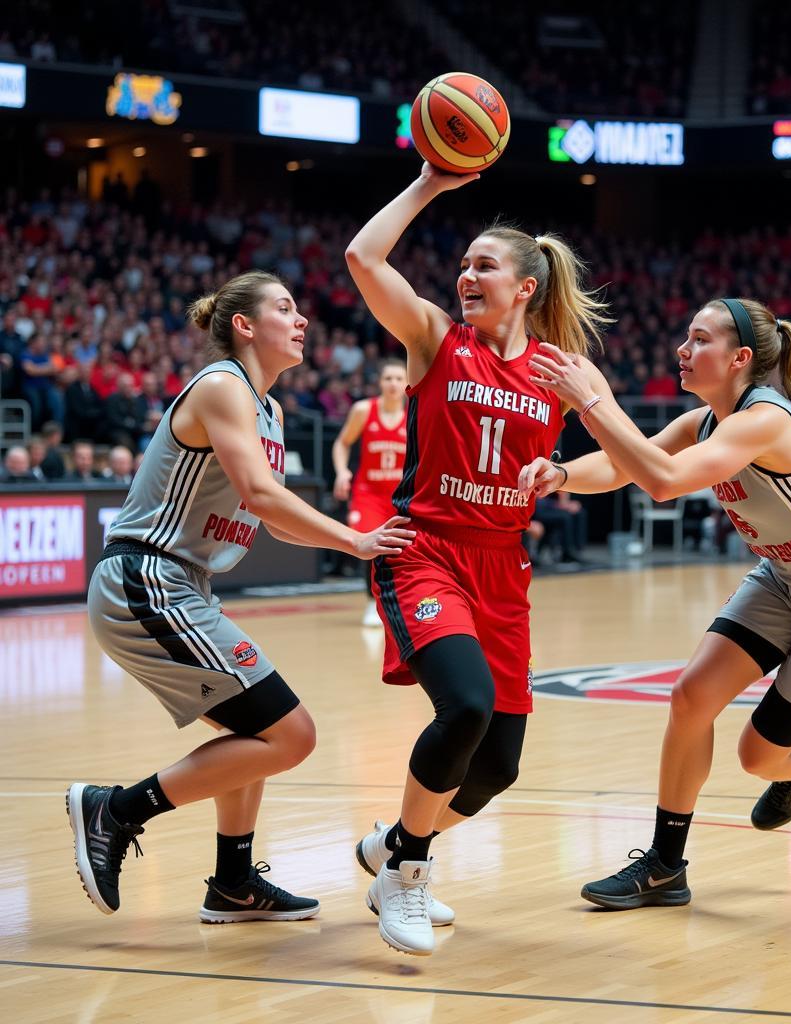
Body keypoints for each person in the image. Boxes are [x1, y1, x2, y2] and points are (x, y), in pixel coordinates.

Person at [519, 296, 791, 911]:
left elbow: (665, 481)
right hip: (785, 576)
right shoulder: (702, 422)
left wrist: (593, 402)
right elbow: (630, 465)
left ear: (740, 359)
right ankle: (664, 867)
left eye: (699, 340)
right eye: (685, 336)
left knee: (758, 756)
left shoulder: (765, 421)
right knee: (689, 697)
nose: (683, 349)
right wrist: (563, 475)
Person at [67, 271, 414, 925]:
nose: (302, 320)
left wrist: (350, 543)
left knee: (255, 730)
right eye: (286, 308)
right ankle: (114, 810)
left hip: (182, 585)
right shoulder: (223, 385)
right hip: (147, 578)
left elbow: (274, 518)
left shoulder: (272, 412)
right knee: (292, 734)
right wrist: (357, 538)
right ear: (245, 326)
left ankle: (232, 882)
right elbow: (259, 495)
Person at [344, 162, 610, 955]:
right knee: (463, 706)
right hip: (425, 551)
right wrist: (429, 183)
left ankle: (390, 843)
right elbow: (364, 259)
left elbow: (624, 461)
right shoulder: (434, 337)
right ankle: (408, 874)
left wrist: (563, 471)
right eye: (462, 264)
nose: (466, 275)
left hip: (503, 568)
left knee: (497, 768)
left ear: (525, 287)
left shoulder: (562, 369)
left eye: (483, 265)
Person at [331, 357, 408, 626]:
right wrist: (342, 472)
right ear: (380, 382)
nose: (393, 384)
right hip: (368, 494)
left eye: (399, 378)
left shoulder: (414, 415)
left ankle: (399, 602)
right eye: (388, 378)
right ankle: (371, 603)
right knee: (370, 548)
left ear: (407, 383)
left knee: (403, 553)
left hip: (400, 496)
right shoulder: (364, 410)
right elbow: (342, 443)